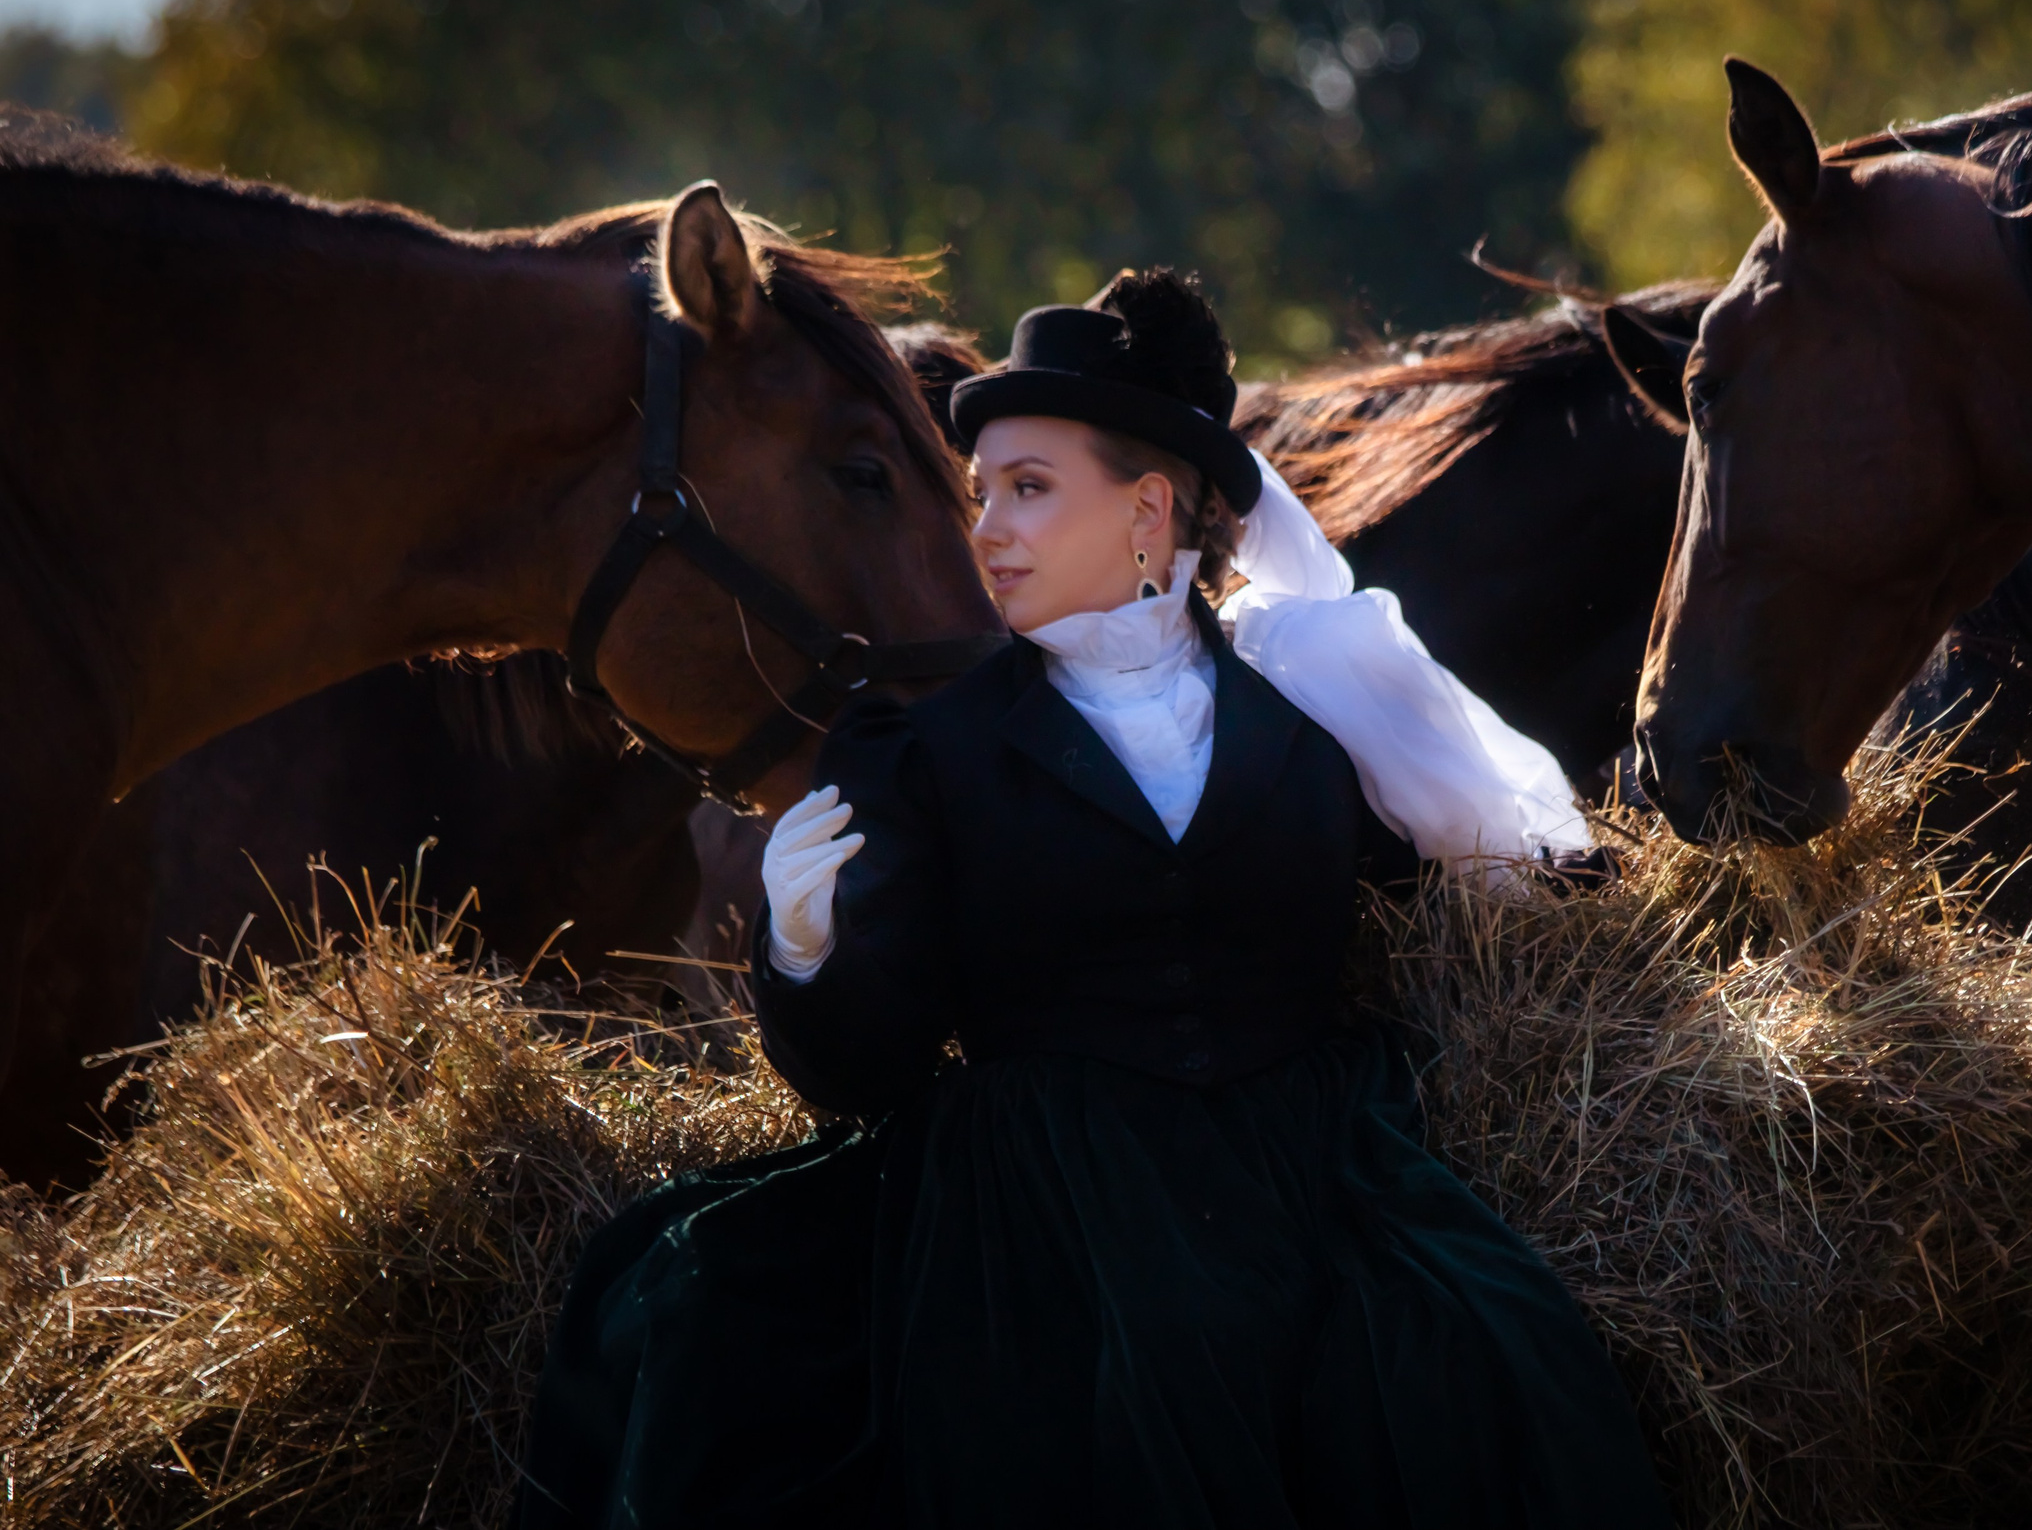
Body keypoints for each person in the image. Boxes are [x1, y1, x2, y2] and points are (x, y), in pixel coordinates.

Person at [514, 269, 1670, 1529]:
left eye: (1027, 489)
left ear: (1147, 509)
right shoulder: (920, 752)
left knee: (1493, 1365)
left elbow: (1470, 887)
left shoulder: (1310, 712)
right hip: (1036, 1212)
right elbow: (870, 1069)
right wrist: (805, 951)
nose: (987, 533)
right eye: (981, 496)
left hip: (1312, 1179)